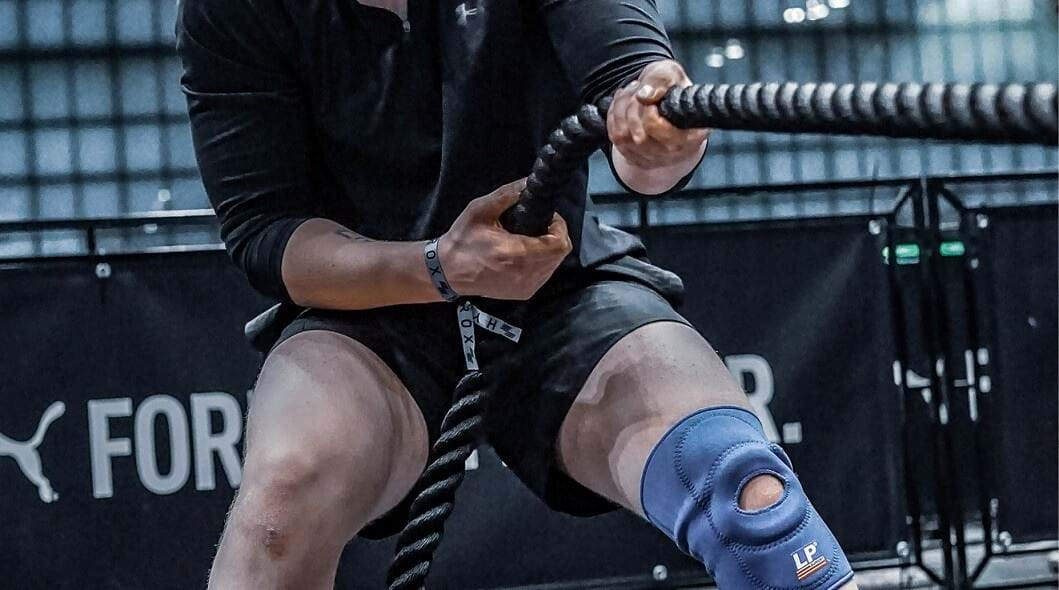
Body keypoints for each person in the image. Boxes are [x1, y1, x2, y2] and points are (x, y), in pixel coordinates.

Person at [176, 0, 857, 588]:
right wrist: (438, 266)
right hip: (367, 312)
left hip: (560, 287)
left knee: (740, 490)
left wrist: (656, 136)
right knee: (280, 505)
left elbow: (636, 89)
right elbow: (269, 234)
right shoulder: (235, 11)